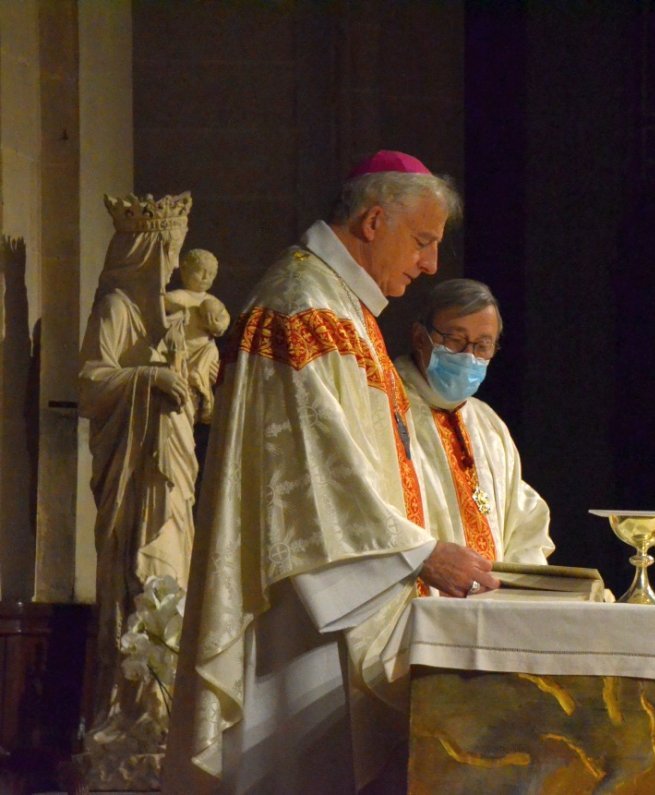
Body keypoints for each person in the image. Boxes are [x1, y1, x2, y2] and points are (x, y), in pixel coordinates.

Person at [164, 151, 499, 794]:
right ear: (374, 221)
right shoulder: (300, 305)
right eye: (423, 242)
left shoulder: (346, 309)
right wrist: (419, 553)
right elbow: (310, 469)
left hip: (352, 584)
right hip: (303, 602)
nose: (430, 263)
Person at [79, 192, 196, 789]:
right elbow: (92, 383)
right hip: (135, 475)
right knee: (142, 577)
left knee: (172, 576)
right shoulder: (117, 307)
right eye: (169, 247)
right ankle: (135, 712)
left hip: (171, 473)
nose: (173, 261)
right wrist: (149, 377)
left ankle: (166, 711)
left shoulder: (168, 317)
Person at [395, 279, 553, 569]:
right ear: (420, 337)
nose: (469, 356)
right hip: (423, 605)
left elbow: (524, 523)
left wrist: (513, 592)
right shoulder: (387, 406)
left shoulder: (488, 426)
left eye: (483, 345)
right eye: (455, 340)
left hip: (491, 608)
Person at [164, 248, 230, 423]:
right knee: (184, 405)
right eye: (201, 271)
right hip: (183, 352)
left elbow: (223, 325)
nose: (205, 277)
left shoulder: (213, 302)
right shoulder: (178, 297)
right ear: (185, 270)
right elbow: (160, 309)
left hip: (204, 352)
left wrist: (215, 325)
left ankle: (205, 399)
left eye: (211, 274)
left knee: (210, 352)